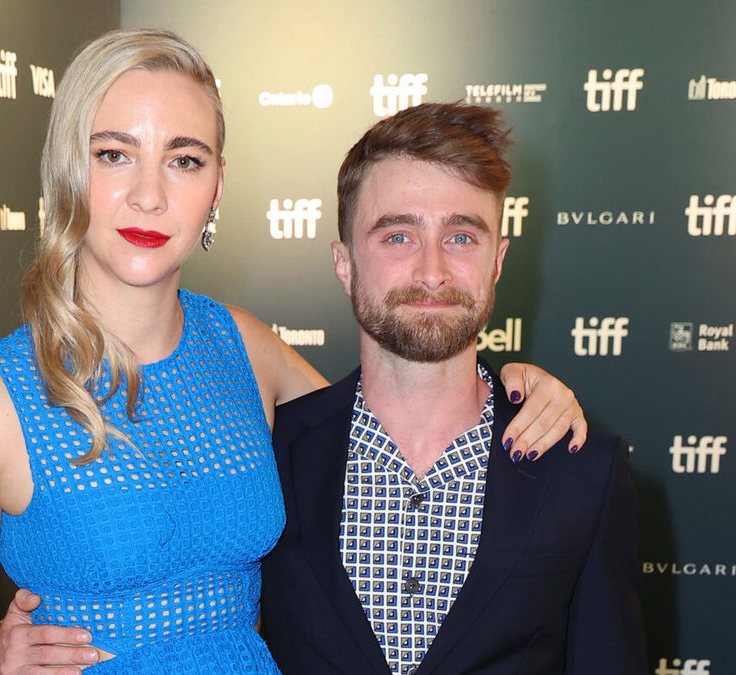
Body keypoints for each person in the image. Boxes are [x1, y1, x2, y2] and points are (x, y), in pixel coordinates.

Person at [0, 29, 587, 674]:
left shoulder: (244, 347)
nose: (150, 195)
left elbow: (398, 417)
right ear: (66, 168)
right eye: (113, 154)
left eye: (183, 161)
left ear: (217, 187)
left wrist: (517, 391)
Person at [258, 103, 647, 673]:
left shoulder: (584, 470)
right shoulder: (269, 452)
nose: (432, 271)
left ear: (498, 261)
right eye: (397, 236)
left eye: (462, 237)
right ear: (344, 264)